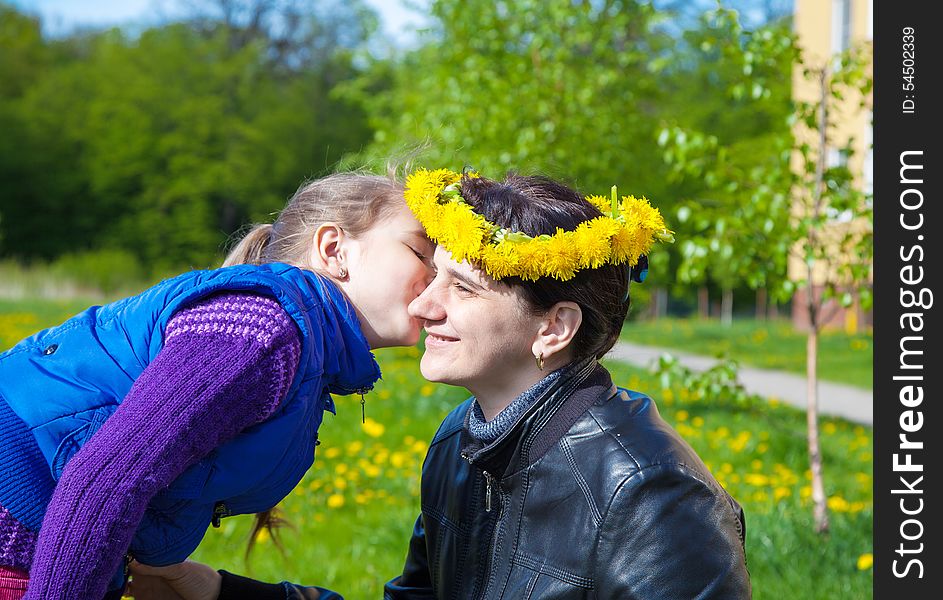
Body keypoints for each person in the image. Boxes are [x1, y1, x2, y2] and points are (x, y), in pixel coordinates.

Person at [126, 168, 752, 599]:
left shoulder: (650, 493)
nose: (424, 306)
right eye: (433, 275)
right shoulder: (460, 443)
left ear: (554, 328)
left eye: (463, 288)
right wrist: (211, 590)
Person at [0, 171, 435, 600]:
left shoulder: (302, 351)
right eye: (421, 252)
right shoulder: (261, 329)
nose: (438, 278)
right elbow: (103, 481)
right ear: (334, 249)